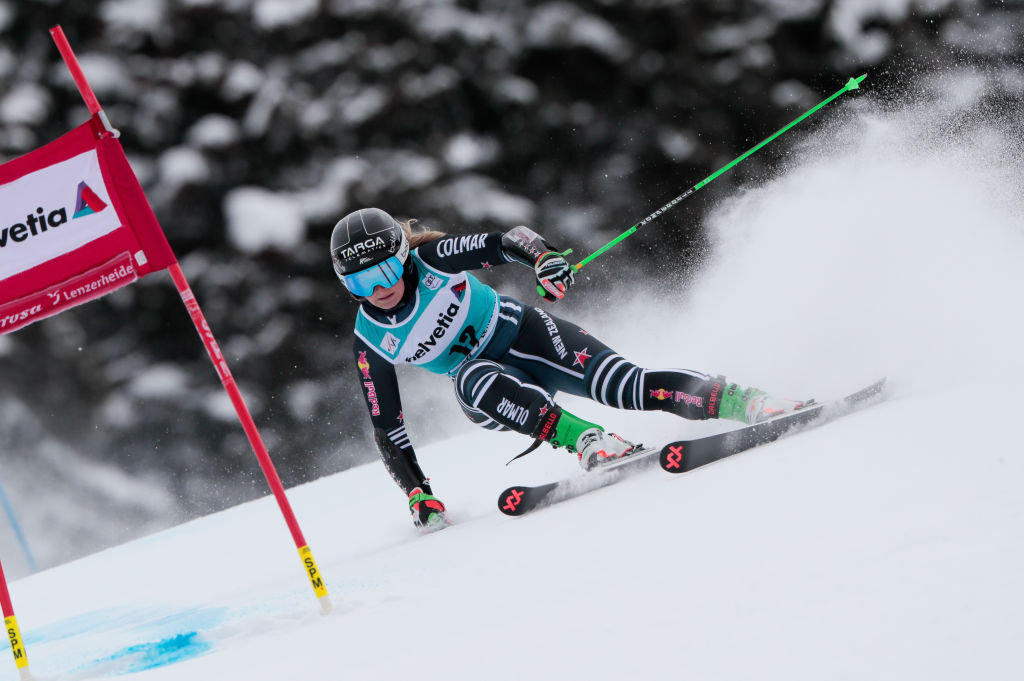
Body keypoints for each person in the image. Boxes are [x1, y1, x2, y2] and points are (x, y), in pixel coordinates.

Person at [332, 207, 809, 531]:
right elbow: (388, 428)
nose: (378, 288)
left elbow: (507, 240)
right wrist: (419, 494)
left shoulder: (433, 259)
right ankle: (588, 440)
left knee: (628, 385)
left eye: (385, 272)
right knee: (473, 377)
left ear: (401, 256)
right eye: (359, 281)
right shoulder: (370, 340)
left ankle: (744, 401)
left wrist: (544, 259)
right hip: (489, 389)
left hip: (528, 333)